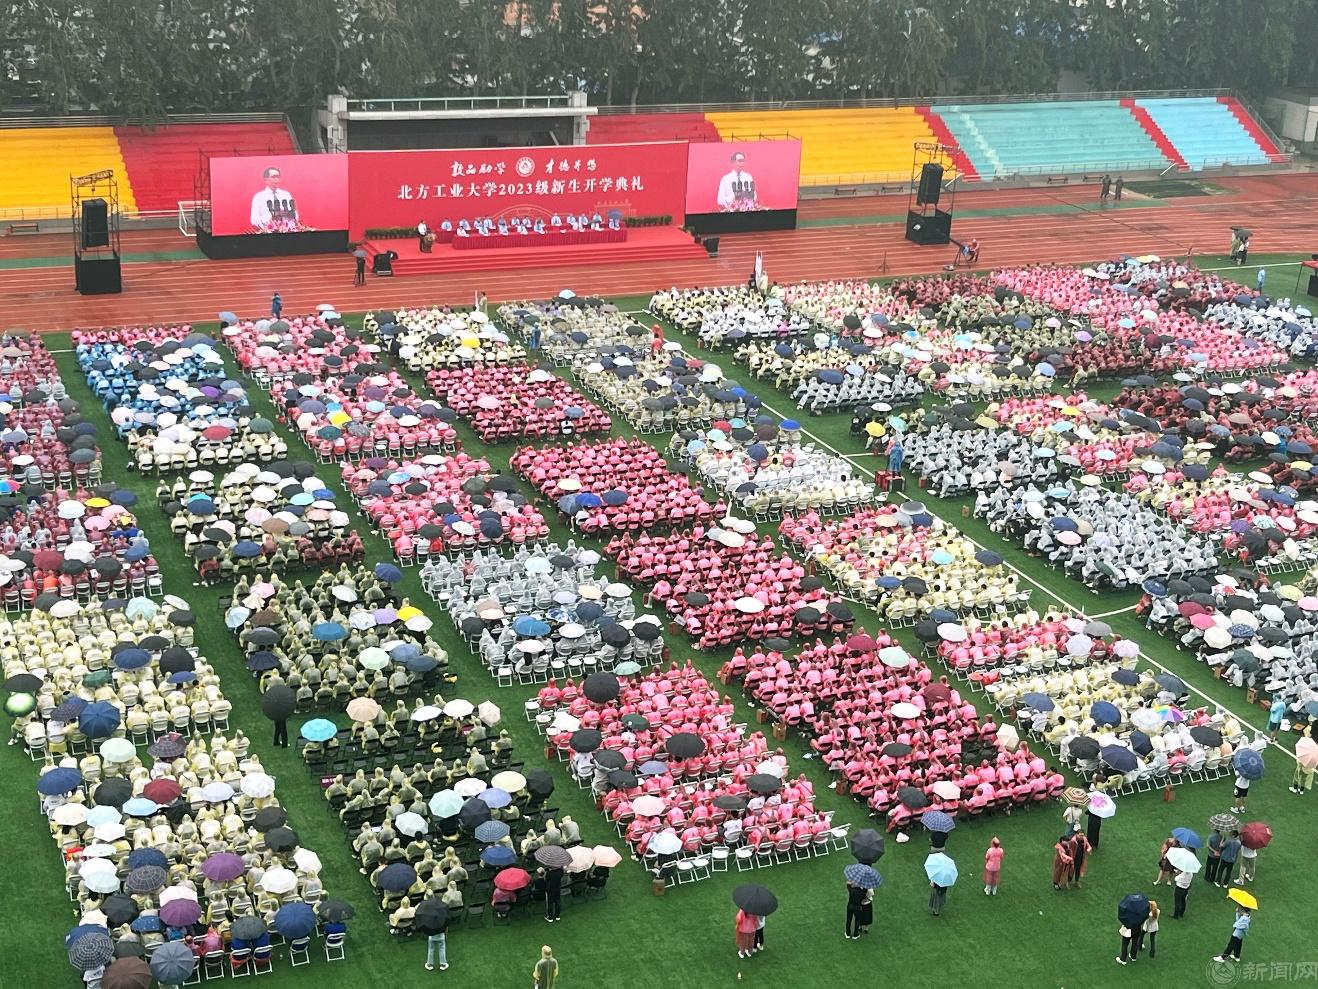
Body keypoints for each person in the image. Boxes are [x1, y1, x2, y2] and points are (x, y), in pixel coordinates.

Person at [250, 166, 297, 231]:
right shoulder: (259, 197)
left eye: (278, 177)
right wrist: (270, 221)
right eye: (274, 177)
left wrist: (287, 217)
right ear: (266, 179)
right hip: (267, 232)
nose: (277, 179)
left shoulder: (286, 194)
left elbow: (295, 214)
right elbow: (254, 220)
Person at [424, 906, 449, 971]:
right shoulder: (443, 918)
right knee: (442, 949)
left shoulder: (429, 919)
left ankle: (429, 964)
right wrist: (446, 935)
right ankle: (443, 964)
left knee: (430, 949)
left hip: (432, 937)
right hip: (441, 937)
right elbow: (446, 927)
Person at [1293, 727, 1315, 794]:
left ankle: (1295, 788)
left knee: (1297, 777)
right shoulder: (1313, 754)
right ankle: (1301, 790)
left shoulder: (1306, 751)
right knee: (1304, 779)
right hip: (1308, 768)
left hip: (1302, 766)